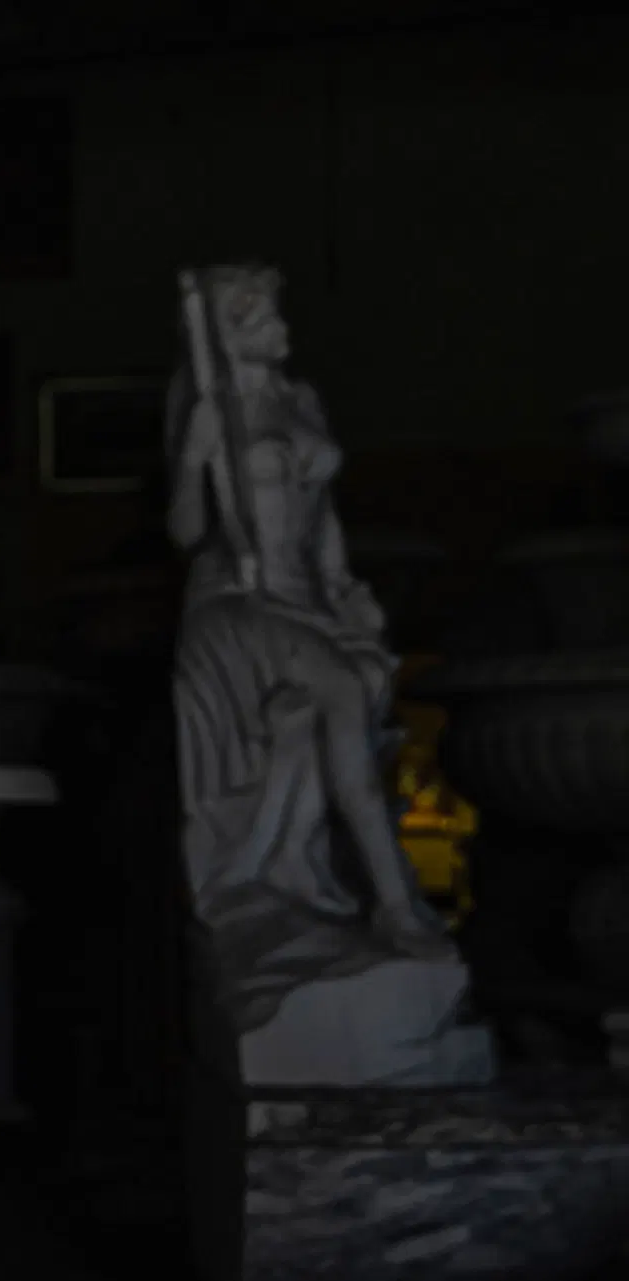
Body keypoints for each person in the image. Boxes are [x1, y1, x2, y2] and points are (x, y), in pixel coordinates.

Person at [169, 264, 448, 1022]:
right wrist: (193, 457)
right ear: (230, 331)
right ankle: (395, 902)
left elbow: (321, 516)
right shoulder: (211, 410)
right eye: (260, 314)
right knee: (342, 690)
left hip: (309, 600)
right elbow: (188, 533)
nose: (278, 324)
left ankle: (324, 881)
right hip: (240, 605)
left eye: (274, 309)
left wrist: (344, 589)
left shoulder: (301, 402)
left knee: (361, 684)